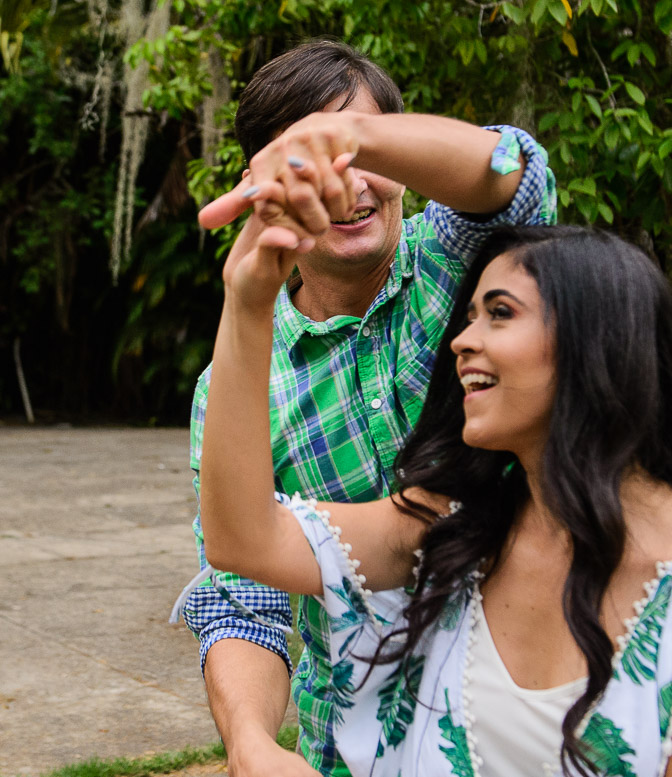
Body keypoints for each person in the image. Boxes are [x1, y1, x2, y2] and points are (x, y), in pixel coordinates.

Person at [195, 223, 672, 776]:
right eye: (469, 316)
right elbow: (242, 539)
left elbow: (506, 169)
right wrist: (247, 302)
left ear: (596, 341)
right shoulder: (459, 526)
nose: (461, 340)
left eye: (500, 314)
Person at [178, 40, 556, 777]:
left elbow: (512, 172)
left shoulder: (466, 265)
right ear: (258, 186)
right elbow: (240, 596)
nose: (348, 185)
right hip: (356, 750)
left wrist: (350, 137)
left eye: (363, 154)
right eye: (312, 169)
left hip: (532, 727)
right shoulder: (236, 384)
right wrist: (251, 742)